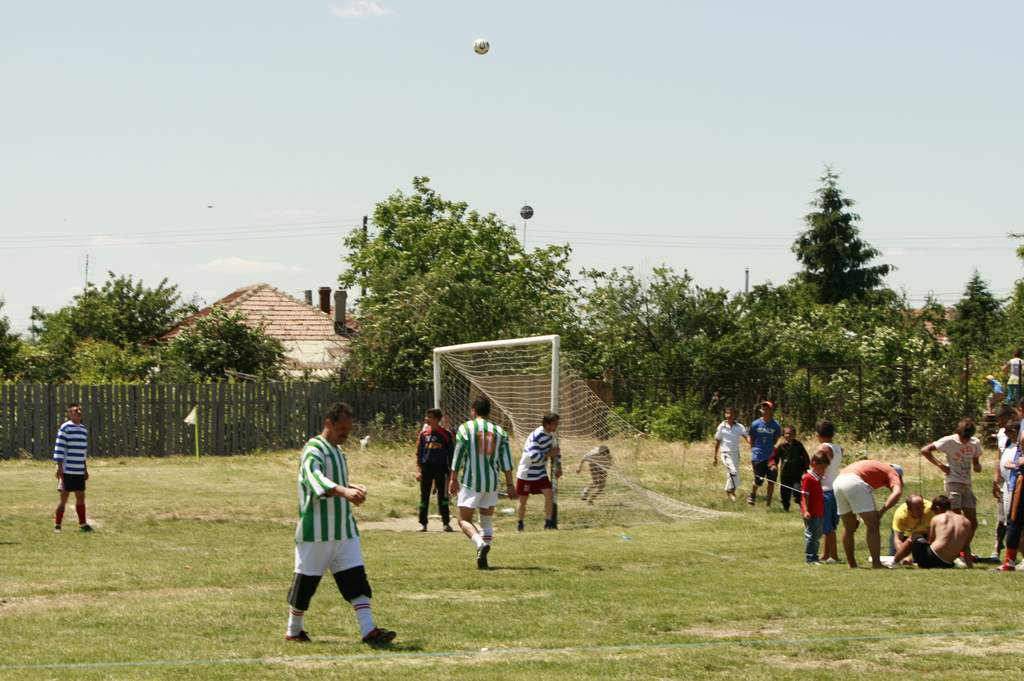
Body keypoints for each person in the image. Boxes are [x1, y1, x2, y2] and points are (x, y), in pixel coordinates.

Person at [285, 402, 395, 645]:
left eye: (349, 428)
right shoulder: (314, 448)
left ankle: (369, 630)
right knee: (306, 584)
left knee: (356, 579)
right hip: (317, 532)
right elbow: (314, 477)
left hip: (344, 530)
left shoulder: (337, 450)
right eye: (342, 428)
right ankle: (294, 630)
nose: (347, 433)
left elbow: (332, 479)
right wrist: (345, 491)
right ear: (328, 423)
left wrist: (351, 486)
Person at [449, 397, 516, 569]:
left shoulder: (465, 428)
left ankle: (480, 544)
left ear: (473, 410)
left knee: (463, 520)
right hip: (491, 483)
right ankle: (483, 557)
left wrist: (453, 478)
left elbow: (458, 456)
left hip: (472, 482)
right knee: (486, 521)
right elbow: (506, 461)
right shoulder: (500, 432)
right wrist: (510, 485)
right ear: (489, 412)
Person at [920, 417, 983, 565]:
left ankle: (961, 548)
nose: (965, 441)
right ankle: (954, 552)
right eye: (963, 437)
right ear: (958, 433)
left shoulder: (975, 442)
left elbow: (975, 457)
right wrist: (941, 465)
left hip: (967, 485)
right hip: (953, 482)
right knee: (956, 520)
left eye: (967, 438)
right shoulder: (948, 441)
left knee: (972, 522)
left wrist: (977, 465)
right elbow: (925, 450)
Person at [832, 459, 904, 569]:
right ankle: (876, 564)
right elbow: (897, 492)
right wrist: (881, 512)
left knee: (849, 527)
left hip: (838, 482)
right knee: (873, 525)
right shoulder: (892, 472)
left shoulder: (877, 466)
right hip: (854, 481)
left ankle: (852, 564)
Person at [515, 413, 561, 531]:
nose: (557, 426)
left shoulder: (552, 436)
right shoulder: (537, 435)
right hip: (527, 472)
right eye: (554, 423)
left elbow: (556, 451)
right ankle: (520, 524)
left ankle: (548, 523)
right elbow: (533, 455)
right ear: (547, 424)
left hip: (540, 472)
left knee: (549, 494)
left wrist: (559, 467)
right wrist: (548, 454)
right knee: (523, 501)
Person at [53, 402, 92, 533]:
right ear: (69, 413)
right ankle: (57, 525)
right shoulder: (65, 428)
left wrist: (85, 469)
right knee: (64, 498)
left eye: (79, 410)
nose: (77, 412)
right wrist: (59, 467)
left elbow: (83, 452)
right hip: (67, 470)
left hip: (78, 470)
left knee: (81, 496)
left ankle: (83, 524)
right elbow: (59, 448)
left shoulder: (83, 430)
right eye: (74, 410)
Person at [414, 408, 454, 532]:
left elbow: (451, 455)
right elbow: (419, 453)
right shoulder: (423, 434)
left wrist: (452, 473)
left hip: (441, 469)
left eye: (429, 417)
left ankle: (446, 523)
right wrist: (418, 470)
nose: (427, 419)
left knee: (443, 497)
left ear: (437, 419)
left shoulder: (446, 434)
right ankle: (423, 523)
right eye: (427, 417)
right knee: (424, 497)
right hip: (426, 469)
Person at [911, 495, 972, 569]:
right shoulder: (966, 522)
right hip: (947, 563)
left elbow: (931, 541)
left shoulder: (936, 518)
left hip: (929, 559)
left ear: (938, 508)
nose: (934, 513)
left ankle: (913, 561)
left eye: (934, 510)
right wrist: (970, 566)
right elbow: (966, 547)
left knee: (916, 535)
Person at [815, 420, 843, 563]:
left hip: (825, 490)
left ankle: (834, 556)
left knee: (827, 526)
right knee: (830, 525)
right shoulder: (838, 448)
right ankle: (825, 554)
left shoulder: (823, 448)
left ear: (818, 434)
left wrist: (813, 489)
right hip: (836, 488)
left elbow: (820, 470)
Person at [747, 401, 783, 507]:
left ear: (772, 411)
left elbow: (776, 439)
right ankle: (752, 494)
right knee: (759, 480)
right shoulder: (755, 424)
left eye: (767, 409)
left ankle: (768, 504)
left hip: (771, 457)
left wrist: (773, 451)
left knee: (771, 480)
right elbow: (751, 438)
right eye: (763, 408)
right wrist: (754, 449)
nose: (765, 410)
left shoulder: (776, 425)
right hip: (758, 456)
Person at [992, 408, 1016, 560]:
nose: (1000, 425)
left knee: (1014, 518)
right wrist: (996, 479)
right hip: (1003, 481)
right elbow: (999, 456)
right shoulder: (1002, 434)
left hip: (1015, 481)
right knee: (1001, 516)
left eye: (1002, 421)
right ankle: (997, 549)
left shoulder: (1018, 431)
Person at [769, 425, 810, 512]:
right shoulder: (781, 446)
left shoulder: (798, 445)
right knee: (785, 493)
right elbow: (774, 457)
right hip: (785, 474)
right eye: (786, 434)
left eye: (790, 434)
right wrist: (773, 465)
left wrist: (806, 469)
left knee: (797, 491)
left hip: (796, 474)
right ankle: (785, 508)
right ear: (783, 435)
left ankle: (802, 507)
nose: (788, 436)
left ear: (794, 435)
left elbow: (805, 458)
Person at [712, 406, 748, 502]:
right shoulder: (721, 427)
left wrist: (752, 445)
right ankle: (731, 492)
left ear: (735, 415)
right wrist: (715, 457)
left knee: (734, 473)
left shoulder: (739, 427)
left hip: (736, 454)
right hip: (725, 453)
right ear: (725, 414)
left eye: (731, 414)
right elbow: (717, 442)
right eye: (727, 413)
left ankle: (731, 490)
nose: (729, 416)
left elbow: (746, 437)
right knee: (732, 471)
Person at [800, 452, 829, 564]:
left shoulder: (817, 478)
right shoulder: (808, 478)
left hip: (819, 511)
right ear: (813, 464)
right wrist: (806, 510)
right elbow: (804, 496)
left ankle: (815, 556)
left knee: (818, 535)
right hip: (811, 512)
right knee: (811, 535)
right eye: (821, 468)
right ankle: (810, 558)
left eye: (824, 469)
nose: (823, 471)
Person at [890, 495, 934, 565]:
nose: (921, 511)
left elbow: (932, 533)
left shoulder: (930, 509)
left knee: (919, 558)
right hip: (905, 534)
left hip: (924, 534)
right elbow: (898, 539)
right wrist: (904, 557)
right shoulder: (901, 515)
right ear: (909, 509)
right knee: (895, 555)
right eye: (917, 509)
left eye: (922, 507)